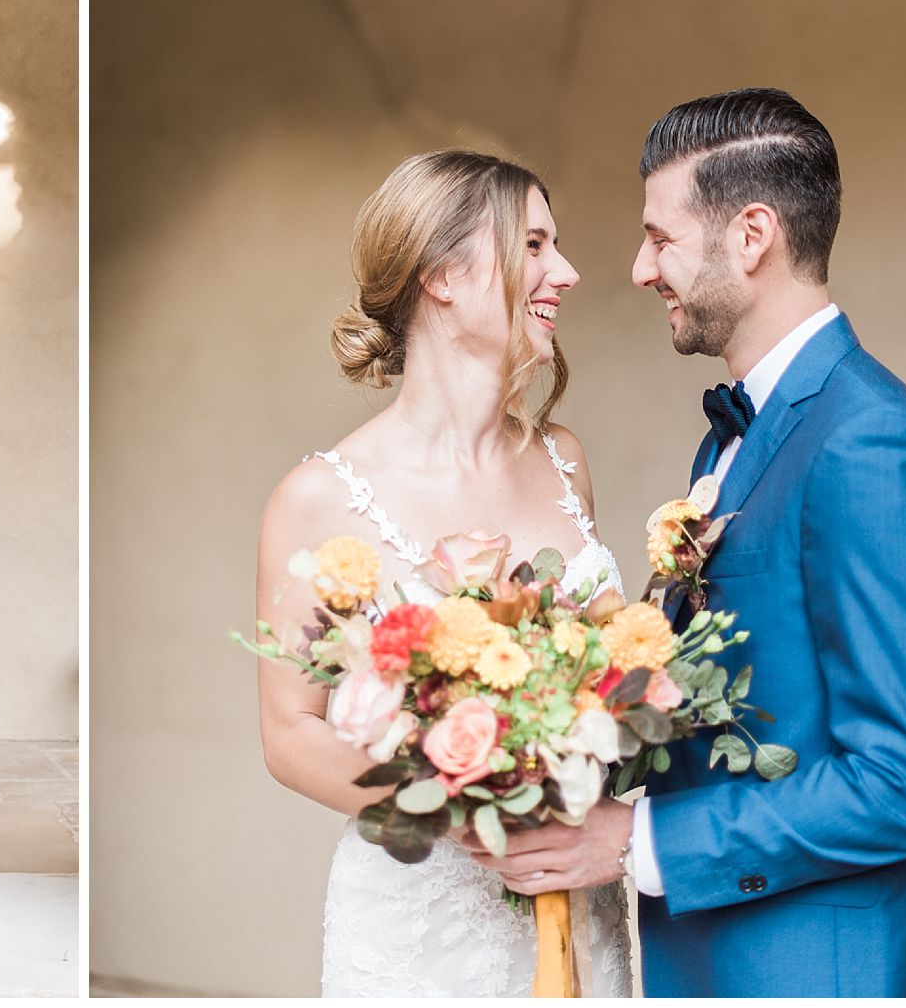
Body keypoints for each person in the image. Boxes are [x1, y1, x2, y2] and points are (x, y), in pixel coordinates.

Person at [467, 88, 906, 996]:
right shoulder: (735, 436)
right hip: (714, 959)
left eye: (659, 238)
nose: (637, 268)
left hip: (825, 970)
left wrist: (635, 841)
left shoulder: (869, 442)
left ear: (751, 237)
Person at [256, 150, 632, 996]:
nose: (565, 272)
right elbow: (290, 734)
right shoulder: (320, 497)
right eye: (533, 245)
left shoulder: (565, 462)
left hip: (573, 897)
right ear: (442, 277)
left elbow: (611, 663)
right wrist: (458, 805)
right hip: (420, 912)